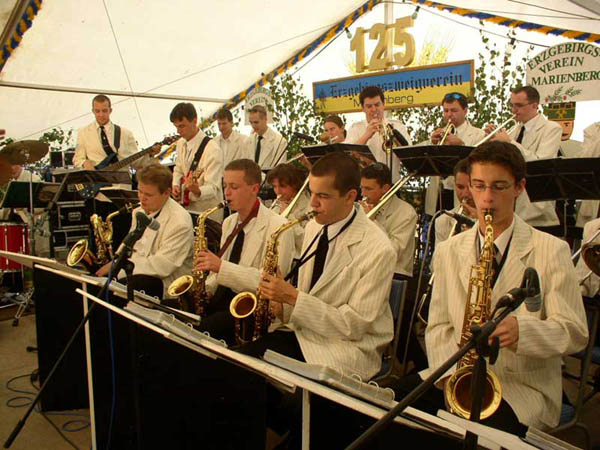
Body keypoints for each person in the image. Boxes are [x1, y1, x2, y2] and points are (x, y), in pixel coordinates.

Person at [399, 141, 587, 436]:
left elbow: (575, 332)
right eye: (478, 186)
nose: (486, 198)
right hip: (456, 375)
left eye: (499, 187)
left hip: (521, 386)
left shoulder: (552, 250)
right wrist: (451, 376)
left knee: (477, 435)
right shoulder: (449, 250)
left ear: (519, 187)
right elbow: (438, 327)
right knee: (393, 408)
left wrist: (522, 331)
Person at [194, 159, 295, 344]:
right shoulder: (229, 222)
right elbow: (219, 272)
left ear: (254, 189)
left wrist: (221, 267)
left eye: (234, 187)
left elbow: (270, 283)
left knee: (200, 331)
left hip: (250, 309)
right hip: (222, 298)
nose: (227, 192)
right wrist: (206, 289)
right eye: (225, 186)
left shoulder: (279, 226)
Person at [96, 164, 194, 300]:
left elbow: (162, 266)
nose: (142, 198)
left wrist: (118, 269)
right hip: (137, 271)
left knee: (118, 290)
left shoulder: (179, 222)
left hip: (165, 284)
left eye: (148, 194)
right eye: (140, 191)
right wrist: (115, 263)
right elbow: (132, 247)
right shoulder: (139, 211)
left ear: (167, 193)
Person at [486, 86, 562, 229]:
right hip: (511, 203)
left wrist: (509, 143)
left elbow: (541, 163)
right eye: (512, 105)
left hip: (535, 206)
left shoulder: (551, 128)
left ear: (534, 105)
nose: (514, 110)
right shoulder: (516, 129)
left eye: (519, 106)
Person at [425, 92, 485, 216]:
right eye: (446, 111)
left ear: (465, 111)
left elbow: (480, 163)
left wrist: (461, 145)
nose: (449, 115)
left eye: (454, 110)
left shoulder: (478, 134)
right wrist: (432, 145)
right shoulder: (439, 133)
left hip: (461, 192)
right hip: (439, 193)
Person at [360, 163, 417, 278]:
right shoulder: (362, 208)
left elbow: (393, 251)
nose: (363, 194)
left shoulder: (406, 212)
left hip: (394, 273)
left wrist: (372, 222)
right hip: (366, 269)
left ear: (385, 188)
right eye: (362, 188)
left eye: (368, 189)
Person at [170, 102, 225, 222]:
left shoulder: (213, 149)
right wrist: (175, 185)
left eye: (182, 126)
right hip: (186, 210)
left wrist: (198, 190)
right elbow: (178, 168)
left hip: (208, 213)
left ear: (194, 121)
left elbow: (213, 188)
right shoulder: (180, 143)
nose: (178, 131)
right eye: (176, 127)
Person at [346, 86, 411, 181]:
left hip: (391, 182)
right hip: (364, 184)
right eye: (369, 106)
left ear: (383, 104)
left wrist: (394, 139)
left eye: (377, 105)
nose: (374, 109)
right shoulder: (355, 128)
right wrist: (367, 135)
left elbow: (409, 156)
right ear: (363, 108)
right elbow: (348, 156)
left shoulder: (397, 126)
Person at [73, 94, 154, 172]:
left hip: (122, 180)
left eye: (104, 111)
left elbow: (136, 163)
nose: (101, 115)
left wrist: (150, 154)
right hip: (96, 180)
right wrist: (84, 163)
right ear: (93, 111)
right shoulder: (83, 132)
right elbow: (77, 159)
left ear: (110, 110)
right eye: (97, 111)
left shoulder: (126, 133)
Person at [266, 163, 310, 257]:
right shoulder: (276, 205)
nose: (277, 191)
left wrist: (289, 217)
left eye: (282, 186)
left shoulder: (308, 207)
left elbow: (305, 243)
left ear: (295, 185)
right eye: (274, 186)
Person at [434, 158, 477, 246]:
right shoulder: (444, 221)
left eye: (471, 187)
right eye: (460, 187)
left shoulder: (495, 221)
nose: (465, 194)